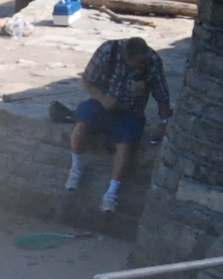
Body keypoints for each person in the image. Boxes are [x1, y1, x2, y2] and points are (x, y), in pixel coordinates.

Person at [62, 36, 171, 214]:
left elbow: (162, 95)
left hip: (130, 111)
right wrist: (104, 99)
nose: (139, 66)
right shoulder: (108, 51)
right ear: (126, 56)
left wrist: (164, 122)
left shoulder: (153, 63)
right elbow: (87, 82)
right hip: (101, 103)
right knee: (82, 123)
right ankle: (76, 168)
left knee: (125, 143)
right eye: (135, 63)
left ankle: (112, 193)